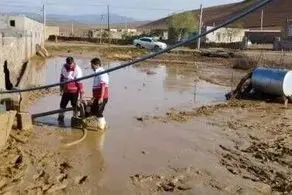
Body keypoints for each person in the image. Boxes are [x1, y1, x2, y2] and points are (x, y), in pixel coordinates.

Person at [58, 57, 84, 122]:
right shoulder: (64, 67)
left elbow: (79, 82)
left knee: (74, 105)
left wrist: (81, 95)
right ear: (66, 63)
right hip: (66, 90)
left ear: (73, 62)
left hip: (74, 91)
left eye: (71, 64)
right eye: (68, 64)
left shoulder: (77, 70)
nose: (70, 66)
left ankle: (75, 117)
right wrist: (61, 89)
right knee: (62, 104)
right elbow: (61, 78)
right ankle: (61, 117)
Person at [91, 58, 109, 129]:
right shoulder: (97, 73)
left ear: (97, 65)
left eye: (92, 65)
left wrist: (101, 97)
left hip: (102, 96)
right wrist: (94, 97)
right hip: (97, 96)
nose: (91, 67)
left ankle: (101, 127)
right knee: (94, 111)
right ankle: (102, 124)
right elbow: (96, 86)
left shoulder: (102, 72)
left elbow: (103, 85)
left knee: (98, 112)